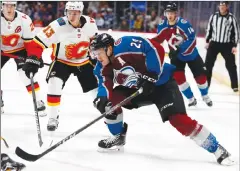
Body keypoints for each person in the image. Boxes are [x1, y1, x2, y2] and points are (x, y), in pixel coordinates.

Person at [89, 33, 235, 166]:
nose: (96, 57)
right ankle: (118, 136)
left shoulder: (124, 44)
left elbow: (155, 47)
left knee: (179, 120)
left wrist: (152, 75)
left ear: (108, 48)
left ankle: (218, 149)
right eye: (94, 54)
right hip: (138, 90)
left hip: (162, 84)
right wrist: (102, 99)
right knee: (109, 104)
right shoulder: (100, 68)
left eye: (98, 53)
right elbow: (104, 85)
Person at [22, 1, 99, 131]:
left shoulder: (90, 23)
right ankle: (53, 117)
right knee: (54, 83)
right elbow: (36, 44)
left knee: (95, 90)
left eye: (75, 13)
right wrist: (34, 58)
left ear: (81, 13)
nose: (72, 16)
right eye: (69, 12)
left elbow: (95, 42)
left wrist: (98, 57)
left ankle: (104, 108)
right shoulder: (57, 26)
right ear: (65, 12)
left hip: (84, 61)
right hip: (61, 61)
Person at [152, 3, 212, 107]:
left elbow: (192, 40)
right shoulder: (162, 25)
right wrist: (148, 44)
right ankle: (191, 98)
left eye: (171, 13)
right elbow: (158, 40)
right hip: (176, 57)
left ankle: (205, 96)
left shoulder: (184, 24)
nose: (169, 15)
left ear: (176, 13)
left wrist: (179, 49)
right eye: (167, 13)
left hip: (191, 55)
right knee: (179, 78)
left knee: (201, 78)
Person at [1, 1, 46, 116]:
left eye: (11, 5)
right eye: (6, 5)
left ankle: (38, 101)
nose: (9, 8)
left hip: (21, 49)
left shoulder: (24, 19)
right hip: (1, 50)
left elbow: (30, 43)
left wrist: (34, 57)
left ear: (15, 7)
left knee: (25, 73)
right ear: (2, 6)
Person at [205, 1, 239, 92]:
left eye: (224, 5)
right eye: (220, 5)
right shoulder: (213, 16)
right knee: (208, 65)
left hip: (227, 45)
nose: (222, 7)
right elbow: (209, 29)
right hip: (214, 44)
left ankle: (235, 86)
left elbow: (236, 32)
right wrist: (207, 41)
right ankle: (206, 85)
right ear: (218, 6)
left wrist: (234, 45)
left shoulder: (232, 18)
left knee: (231, 66)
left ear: (227, 7)